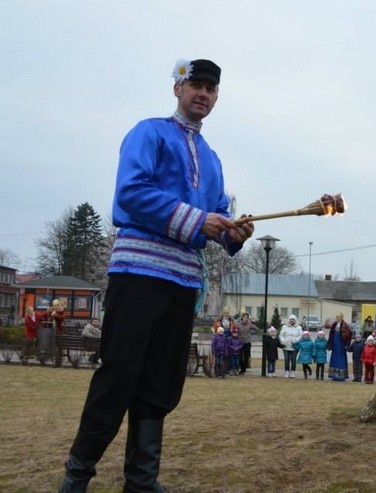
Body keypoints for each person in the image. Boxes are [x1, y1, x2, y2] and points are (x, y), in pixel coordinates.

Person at [59, 58, 254, 492]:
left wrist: (233, 232)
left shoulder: (213, 157)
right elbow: (131, 191)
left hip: (184, 282)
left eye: (211, 89)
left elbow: (217, 214)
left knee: (162, 381)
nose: (203, 93)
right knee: (119, 374)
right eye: (195, 85)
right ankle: (77, 477)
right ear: (177, 89)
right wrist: (197, 220)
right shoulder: (148, 131)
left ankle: (141, 481)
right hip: (139, 270)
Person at [328, 312, 352, 381]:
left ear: (341, 317)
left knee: (341, 359)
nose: (337, 318)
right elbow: (331, 334)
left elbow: (349, 335)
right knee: (334, 358)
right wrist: (330, 343)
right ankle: (334, 375)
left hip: (341, 344)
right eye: (336, 317)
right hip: (335, 344)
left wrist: (347, 344)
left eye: (338, 317)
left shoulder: (345, 325)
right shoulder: (334, 325)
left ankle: (341, 375)